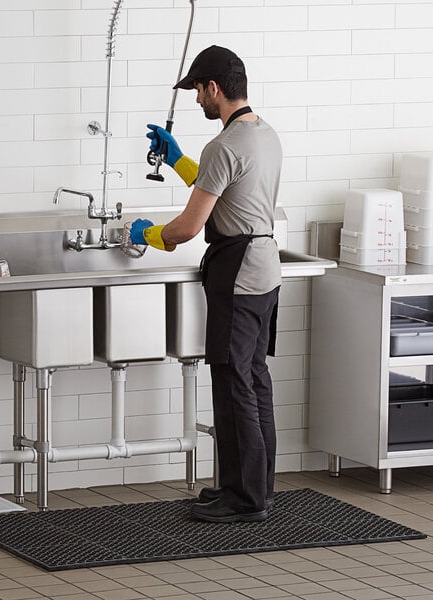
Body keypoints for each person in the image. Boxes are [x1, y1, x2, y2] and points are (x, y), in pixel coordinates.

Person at [130, 45, 282, 523]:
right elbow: (219, 185)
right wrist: (177, 160)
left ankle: (245, 500)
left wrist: (146, 234)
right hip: (264, 269)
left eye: (198, 89)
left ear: (214, 88)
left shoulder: (225, 144)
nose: (197, 100)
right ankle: (251, 488)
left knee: (235, 383)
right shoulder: (262, 134)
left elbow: (187, 228)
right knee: (253, 379)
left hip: (237, 271)